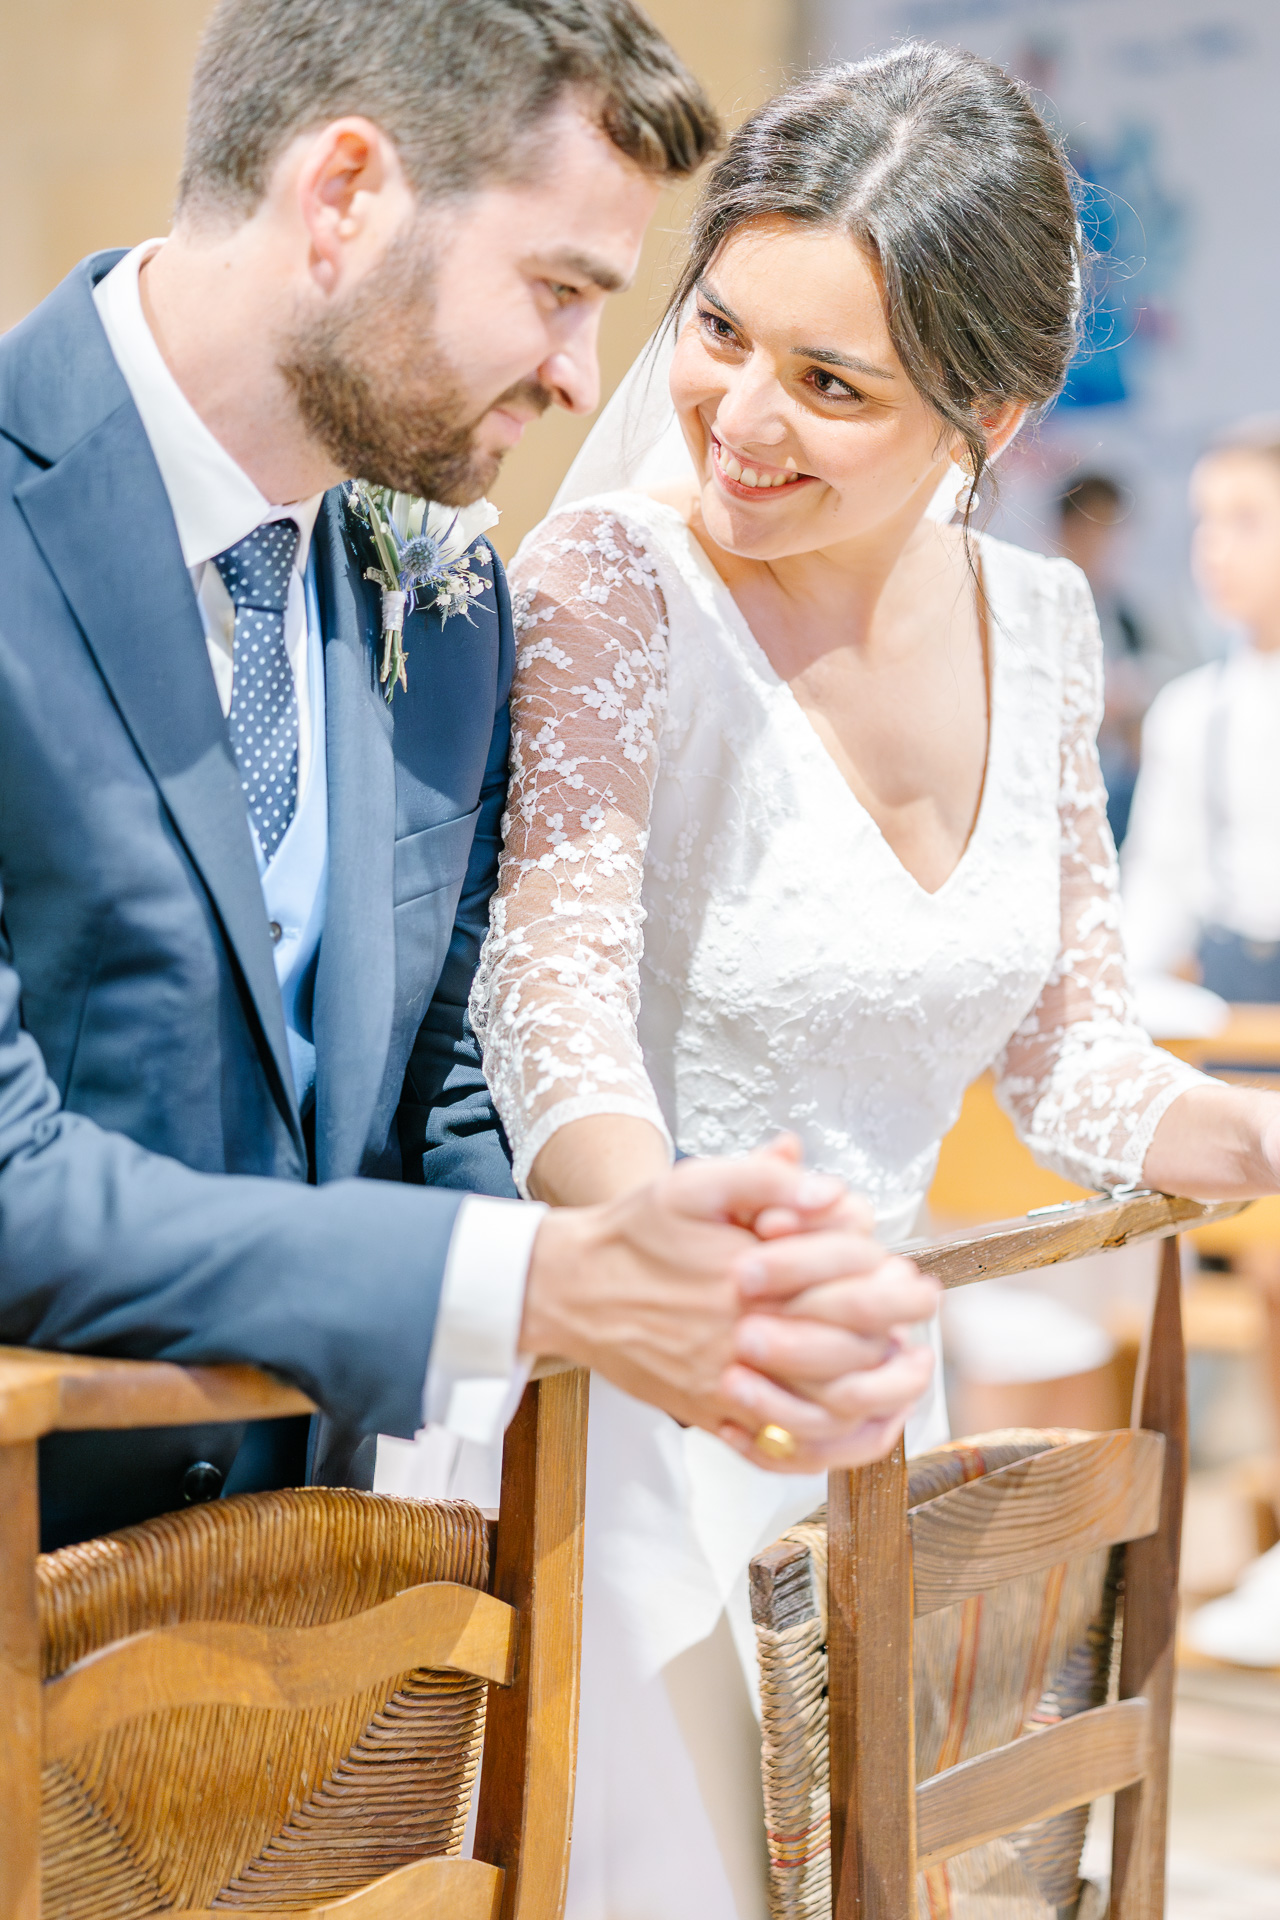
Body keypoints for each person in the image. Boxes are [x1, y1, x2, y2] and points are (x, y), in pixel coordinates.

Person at [471, 45, 1280, 1917]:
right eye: (721, 332)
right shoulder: (617, 580)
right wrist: (678, 1271)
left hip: (868, 1437)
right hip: (638, 1400)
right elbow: (548, 997)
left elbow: (1071, 1045)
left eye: (830, 385)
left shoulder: (1048, 630)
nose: (737, 416)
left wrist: (1234, 1132)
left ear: (987, 411)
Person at [0, 0, 940, 1554]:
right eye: (558, 291)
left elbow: (437, 1079)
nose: (588, 379)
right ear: (346, 196)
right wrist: (539, 1287)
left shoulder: (436, 594)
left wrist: (663, 1280)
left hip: (333, 1616)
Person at [1123, 418, 1280, 1667]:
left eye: (1244, 520)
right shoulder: (1195, 710)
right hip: (1232, 1019)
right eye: (1202, 523)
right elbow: (1155, 905)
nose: (1212, 551)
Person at [1054, 472, 1157, 847]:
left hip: (1114, 786)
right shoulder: (1035, 605)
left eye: (1112, 530)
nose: (1104, 543)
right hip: (1055, 789)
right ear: (1066, 528)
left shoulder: (1124, 615)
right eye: (1094, 527)